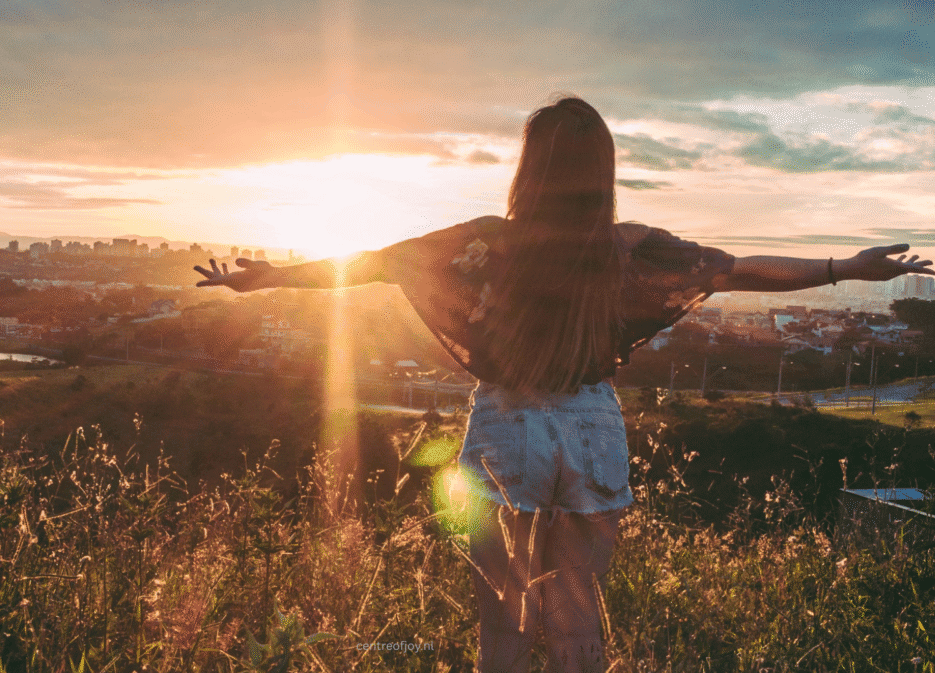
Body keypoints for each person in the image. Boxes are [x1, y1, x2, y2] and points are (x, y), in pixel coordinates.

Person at [194, 96, 933, 672]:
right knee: (578, 614)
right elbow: (738, 269)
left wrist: (265, 279)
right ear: (601, 171)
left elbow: (373, 261)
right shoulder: (628, 245)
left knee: (505, 617)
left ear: (530, 168)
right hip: (592, 427)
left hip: (505, 430)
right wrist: (844, 267)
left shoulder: (491, 238)